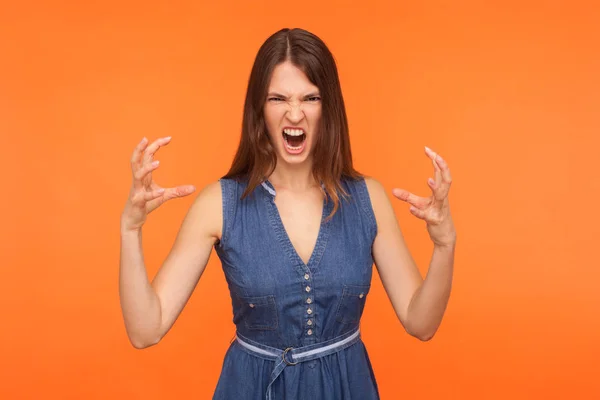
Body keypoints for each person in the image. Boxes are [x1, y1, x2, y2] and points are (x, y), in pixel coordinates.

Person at [119, 28, 456, 399]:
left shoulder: (368, 199)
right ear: (259, 109)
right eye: (278, 98)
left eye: (310, 98)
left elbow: (421, 323)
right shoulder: (218, 204)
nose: (294, 113)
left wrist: (444, 246)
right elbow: (145, 330)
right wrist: (130, 230)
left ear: (328, 107)